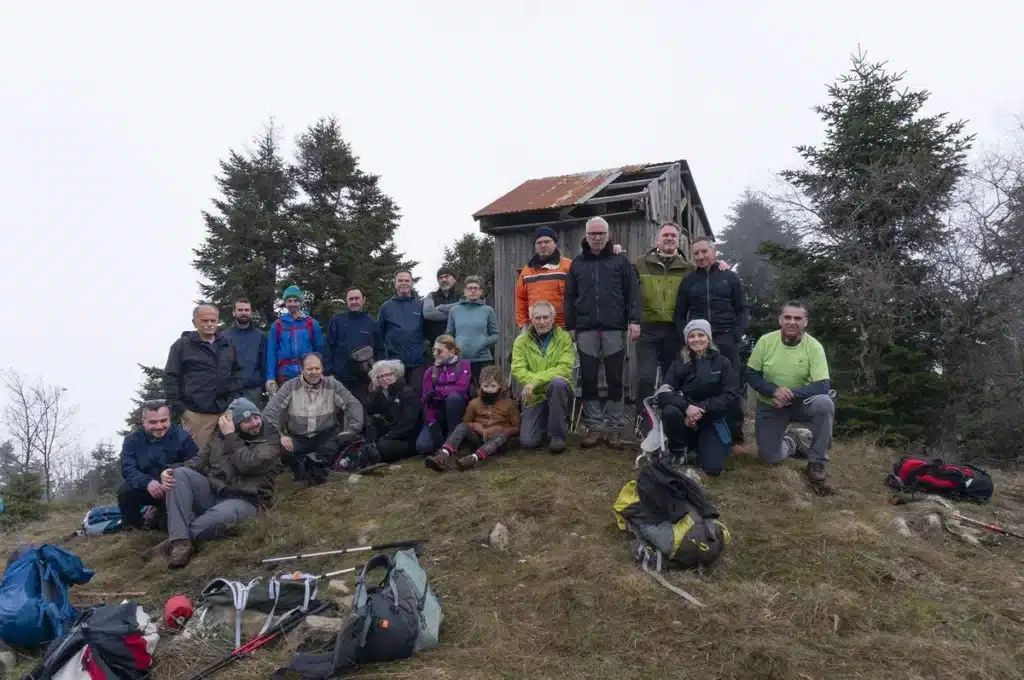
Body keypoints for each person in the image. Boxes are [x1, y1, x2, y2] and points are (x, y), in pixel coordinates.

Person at [156, 397, 278, 569]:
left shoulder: (270, 439)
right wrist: (167, 472)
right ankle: (181, 544)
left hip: (247, 500)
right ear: (234, 424)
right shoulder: (218, 438)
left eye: (256, 417)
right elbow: (198, 462)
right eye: (247, 420)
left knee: (209, 522)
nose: (254, 423)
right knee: (179, 475)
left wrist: (230, 436)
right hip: (215, 492)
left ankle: (173, 540)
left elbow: (247, 464)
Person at [564, 216, 640, 448]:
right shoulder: (577, 264)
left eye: (601, 234)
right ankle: (594, 427)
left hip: (614, 328)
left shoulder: (621, 262)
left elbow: (633, 293)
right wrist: (570, 326)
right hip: (585, 330)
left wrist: (634, 321)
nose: (597, 238)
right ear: (585, 236)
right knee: (588, 379)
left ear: (608, 235)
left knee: (615, 378)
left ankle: (614, 428)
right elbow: (569, 296)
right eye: (593, 234)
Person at [746, 301, 835, 485]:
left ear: (805, 322)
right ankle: (793, 441)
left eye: (797, 318)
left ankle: (817, 462)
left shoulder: (814, 347)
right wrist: (774, 392)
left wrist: (790, 394)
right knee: (770, 458)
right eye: (787, 317)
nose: (792, 322)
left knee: (825, 403)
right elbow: (751, 374)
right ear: (780, 320)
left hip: (800, 403)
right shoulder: (765, 341)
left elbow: (823, 385)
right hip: (771, 404)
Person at [674, 237, 750, 450]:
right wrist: (685, 336)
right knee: (697, 383)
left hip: (725, 337)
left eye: (704, 251)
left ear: (714, 252)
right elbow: (680, 312)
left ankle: (735, 436)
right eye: (696, 253)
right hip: (698, 340)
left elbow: (742, 309)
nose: (700, 256)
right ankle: (697, 430)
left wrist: (736, 335)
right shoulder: (689, 281)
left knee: (731, 386)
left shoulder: (730, 278)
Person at [263, 353, 364, 487]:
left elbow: (353, 404)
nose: (314, 372)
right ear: (301, 370)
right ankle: (300, 467)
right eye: (309, 369)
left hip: (326, 434)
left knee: (336, 446)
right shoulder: (290, 386)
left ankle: (317, 468)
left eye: (317, 368)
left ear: (322, 369)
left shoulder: (332, 384)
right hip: (298, 438)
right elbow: (270, 412)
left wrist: (352, 430)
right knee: (282, 449)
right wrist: (280, 436)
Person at [654, 319, 740, 476]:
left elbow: (731, 395)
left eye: (701, 335)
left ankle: (702, 449)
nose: (697, 339)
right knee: (670, 411)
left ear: (709, 338)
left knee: (713, 469)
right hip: (683, 419)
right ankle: (677, 452)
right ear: (687, 340)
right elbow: (663, 393)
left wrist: (702, 408)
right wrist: (686, 407)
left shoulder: (723, 363)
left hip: (710, 419)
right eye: (692, 336)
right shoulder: (678, 364)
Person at [164, 304, 243, 449]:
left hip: (225, 411)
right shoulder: (181, 346)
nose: (209, 324)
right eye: (204, 321)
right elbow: (170, 377)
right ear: (194, 322)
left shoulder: (227, 345)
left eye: (213, 321)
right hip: (195, 414)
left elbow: (236, 372)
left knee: (227, 455)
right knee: (197, 459)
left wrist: (234, 398)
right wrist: (181, 410)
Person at [118, 399, 198, 531]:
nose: (159, 426)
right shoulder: (131, 440)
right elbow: (127, 469)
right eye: (153, 422)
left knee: (163, 528)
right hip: (146, 488)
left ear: (170, 419)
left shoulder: (182, 437)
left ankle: (157, 517)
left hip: (173, 488)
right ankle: (133, 527)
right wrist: (148, 482)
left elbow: (196, 463)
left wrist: (170, 475)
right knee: (125, 491)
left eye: (163, 421)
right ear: (143, 422)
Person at [511, 300, 576, 453]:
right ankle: (547, 423)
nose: (542, 322)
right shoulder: (521, 342)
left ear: (553, 318)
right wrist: (533, 384)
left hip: (560, 392)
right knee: (528, 442)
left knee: (558, 383)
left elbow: (564, 368)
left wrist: (535, 381)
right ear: (531, 319)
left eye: (546, 317)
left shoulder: (564, 338)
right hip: (535, 396)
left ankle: (557, 437)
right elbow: (518, 369)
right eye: (538, 318)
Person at [324, 287, 383, 403]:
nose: (354, 301)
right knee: (337, 414)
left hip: (362, 380)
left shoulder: (372, 323)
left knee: (359, 414)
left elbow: (380, 351)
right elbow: (328, 347)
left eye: (357, 298)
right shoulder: (337, 320)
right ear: (346, 301)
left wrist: (375, 376)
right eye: (351, 299)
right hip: (339, 378)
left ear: (363, 300)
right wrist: (328, 372)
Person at [416, 335, 472, 455]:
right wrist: (431, 422)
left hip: (457, 412)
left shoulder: (464, 365)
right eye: (433, 350)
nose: (435, 354)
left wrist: (438, 391)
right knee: (423, 447)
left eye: (439, 351)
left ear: (451, 351)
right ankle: (441, 435)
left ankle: (453, 438)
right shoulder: (430, 371)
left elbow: (462, 388)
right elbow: (425, 399)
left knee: (454, 398)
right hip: (437, 413)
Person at [265, 285, 325, 393]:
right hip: (285, 374)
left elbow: (320, 350)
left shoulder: (311, 323)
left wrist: (321, 372)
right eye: (289, 301)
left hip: (308, 373)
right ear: (285, 303)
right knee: (287, 407)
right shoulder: (277, 325)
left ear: (301, 302)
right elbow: (271, 353)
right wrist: (270, 377)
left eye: (296, 300)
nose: (292, 304)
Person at [360, 360, 421, 463]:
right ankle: (369, 448)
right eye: (380, 377)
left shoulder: (407, 392)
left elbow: (408, 424)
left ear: (396, 374)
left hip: (408, 438)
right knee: (369, 421)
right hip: (392, 433)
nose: (384, 379)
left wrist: (387, 437)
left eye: (388, 374)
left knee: (382, 447)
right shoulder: (382, 393)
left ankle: (371, 454)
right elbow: (366, 409)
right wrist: (373, 391)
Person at [378, 270, 428, 394]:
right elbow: (379, 333)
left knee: (417, 394)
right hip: (394, 363)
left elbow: (428, 330)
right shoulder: (386, 307)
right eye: (400, 280)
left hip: (417, 362)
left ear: (412, 283)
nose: (403, 283)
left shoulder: (421, 305)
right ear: (395, 284)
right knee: (396, 397)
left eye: (407, 280)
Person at [514, 227, 573, 330]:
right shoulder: (526, 271)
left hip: (564, 328)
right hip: (536, 329)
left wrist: (574, 326)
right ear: (535, 246)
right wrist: (523, 325)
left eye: (547, 241)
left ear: (555, 243)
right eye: (539, 243)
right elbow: (520, 300)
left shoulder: (568, 266)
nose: (543, 245)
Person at [445, 275, 499, 384]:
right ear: (464, 291)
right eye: (469, 288)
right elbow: (449, 334)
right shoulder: (454, 311)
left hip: (483, 360)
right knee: (463, 393)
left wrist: (483, 342)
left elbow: (495, 335)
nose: (473, 291)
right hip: (461, 361)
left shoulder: (488, 310)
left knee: (483, 393)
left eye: (476, 288)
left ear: (481, 291)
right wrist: (456, 347)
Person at [222, 298, 267, 407]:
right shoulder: (224, 336)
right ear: (234, 312)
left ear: (251, 313)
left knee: (253, 422)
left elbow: (264, 362)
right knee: (232, 422)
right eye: (240, 310)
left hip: (253, 389)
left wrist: (262, 384)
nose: (243, 313)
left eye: (246, 310)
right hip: (231, 391)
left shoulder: (260, 336)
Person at [422, 267, 460, 345]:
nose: (443, 280)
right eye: (440, 278)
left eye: (447, 276)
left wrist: (441, 307)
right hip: (436, 345)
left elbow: (465, 308)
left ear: (454, 279)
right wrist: (456, 313)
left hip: (458, 345)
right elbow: (428, 313)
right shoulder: (431, 296)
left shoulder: (462, 295)